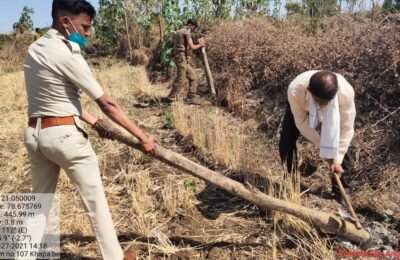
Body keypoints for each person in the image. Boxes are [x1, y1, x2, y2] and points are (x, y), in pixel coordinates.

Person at [23, 0, 156, 259]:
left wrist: (94, 123)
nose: (87, 33)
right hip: (64, 138)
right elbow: (107, 103)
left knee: (38, 206)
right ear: (65, 21)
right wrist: (142, 138)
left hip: (36, 136)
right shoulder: (66, 52)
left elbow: (60, 100)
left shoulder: (35, 48)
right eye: (84, 26)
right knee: (96, 203)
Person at [279, 70, 356, 202]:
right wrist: (326, 152)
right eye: (320, 102)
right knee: (286, 140)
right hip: (302, 106)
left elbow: (346, 129)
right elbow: (302, 124)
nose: (324, 105)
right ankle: (292, 183)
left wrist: (336, 159)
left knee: (340, 144)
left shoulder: (346, 93)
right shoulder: (295, 90)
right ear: (309, 90)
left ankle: (342, 190)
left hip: (336, 106)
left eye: (327, 102)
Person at [167, 19, 205, 105]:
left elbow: (184, 46)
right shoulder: (186, 32)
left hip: (181, 58)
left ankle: (191, 97)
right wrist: (201, 45)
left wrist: (187, 56)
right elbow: (192, 47)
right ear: (190, 25)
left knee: (193, 76)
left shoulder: (178, 31)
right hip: (181, 58)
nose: (193, 30)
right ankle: (171, 97)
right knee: (181, 79)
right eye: (193, 28)